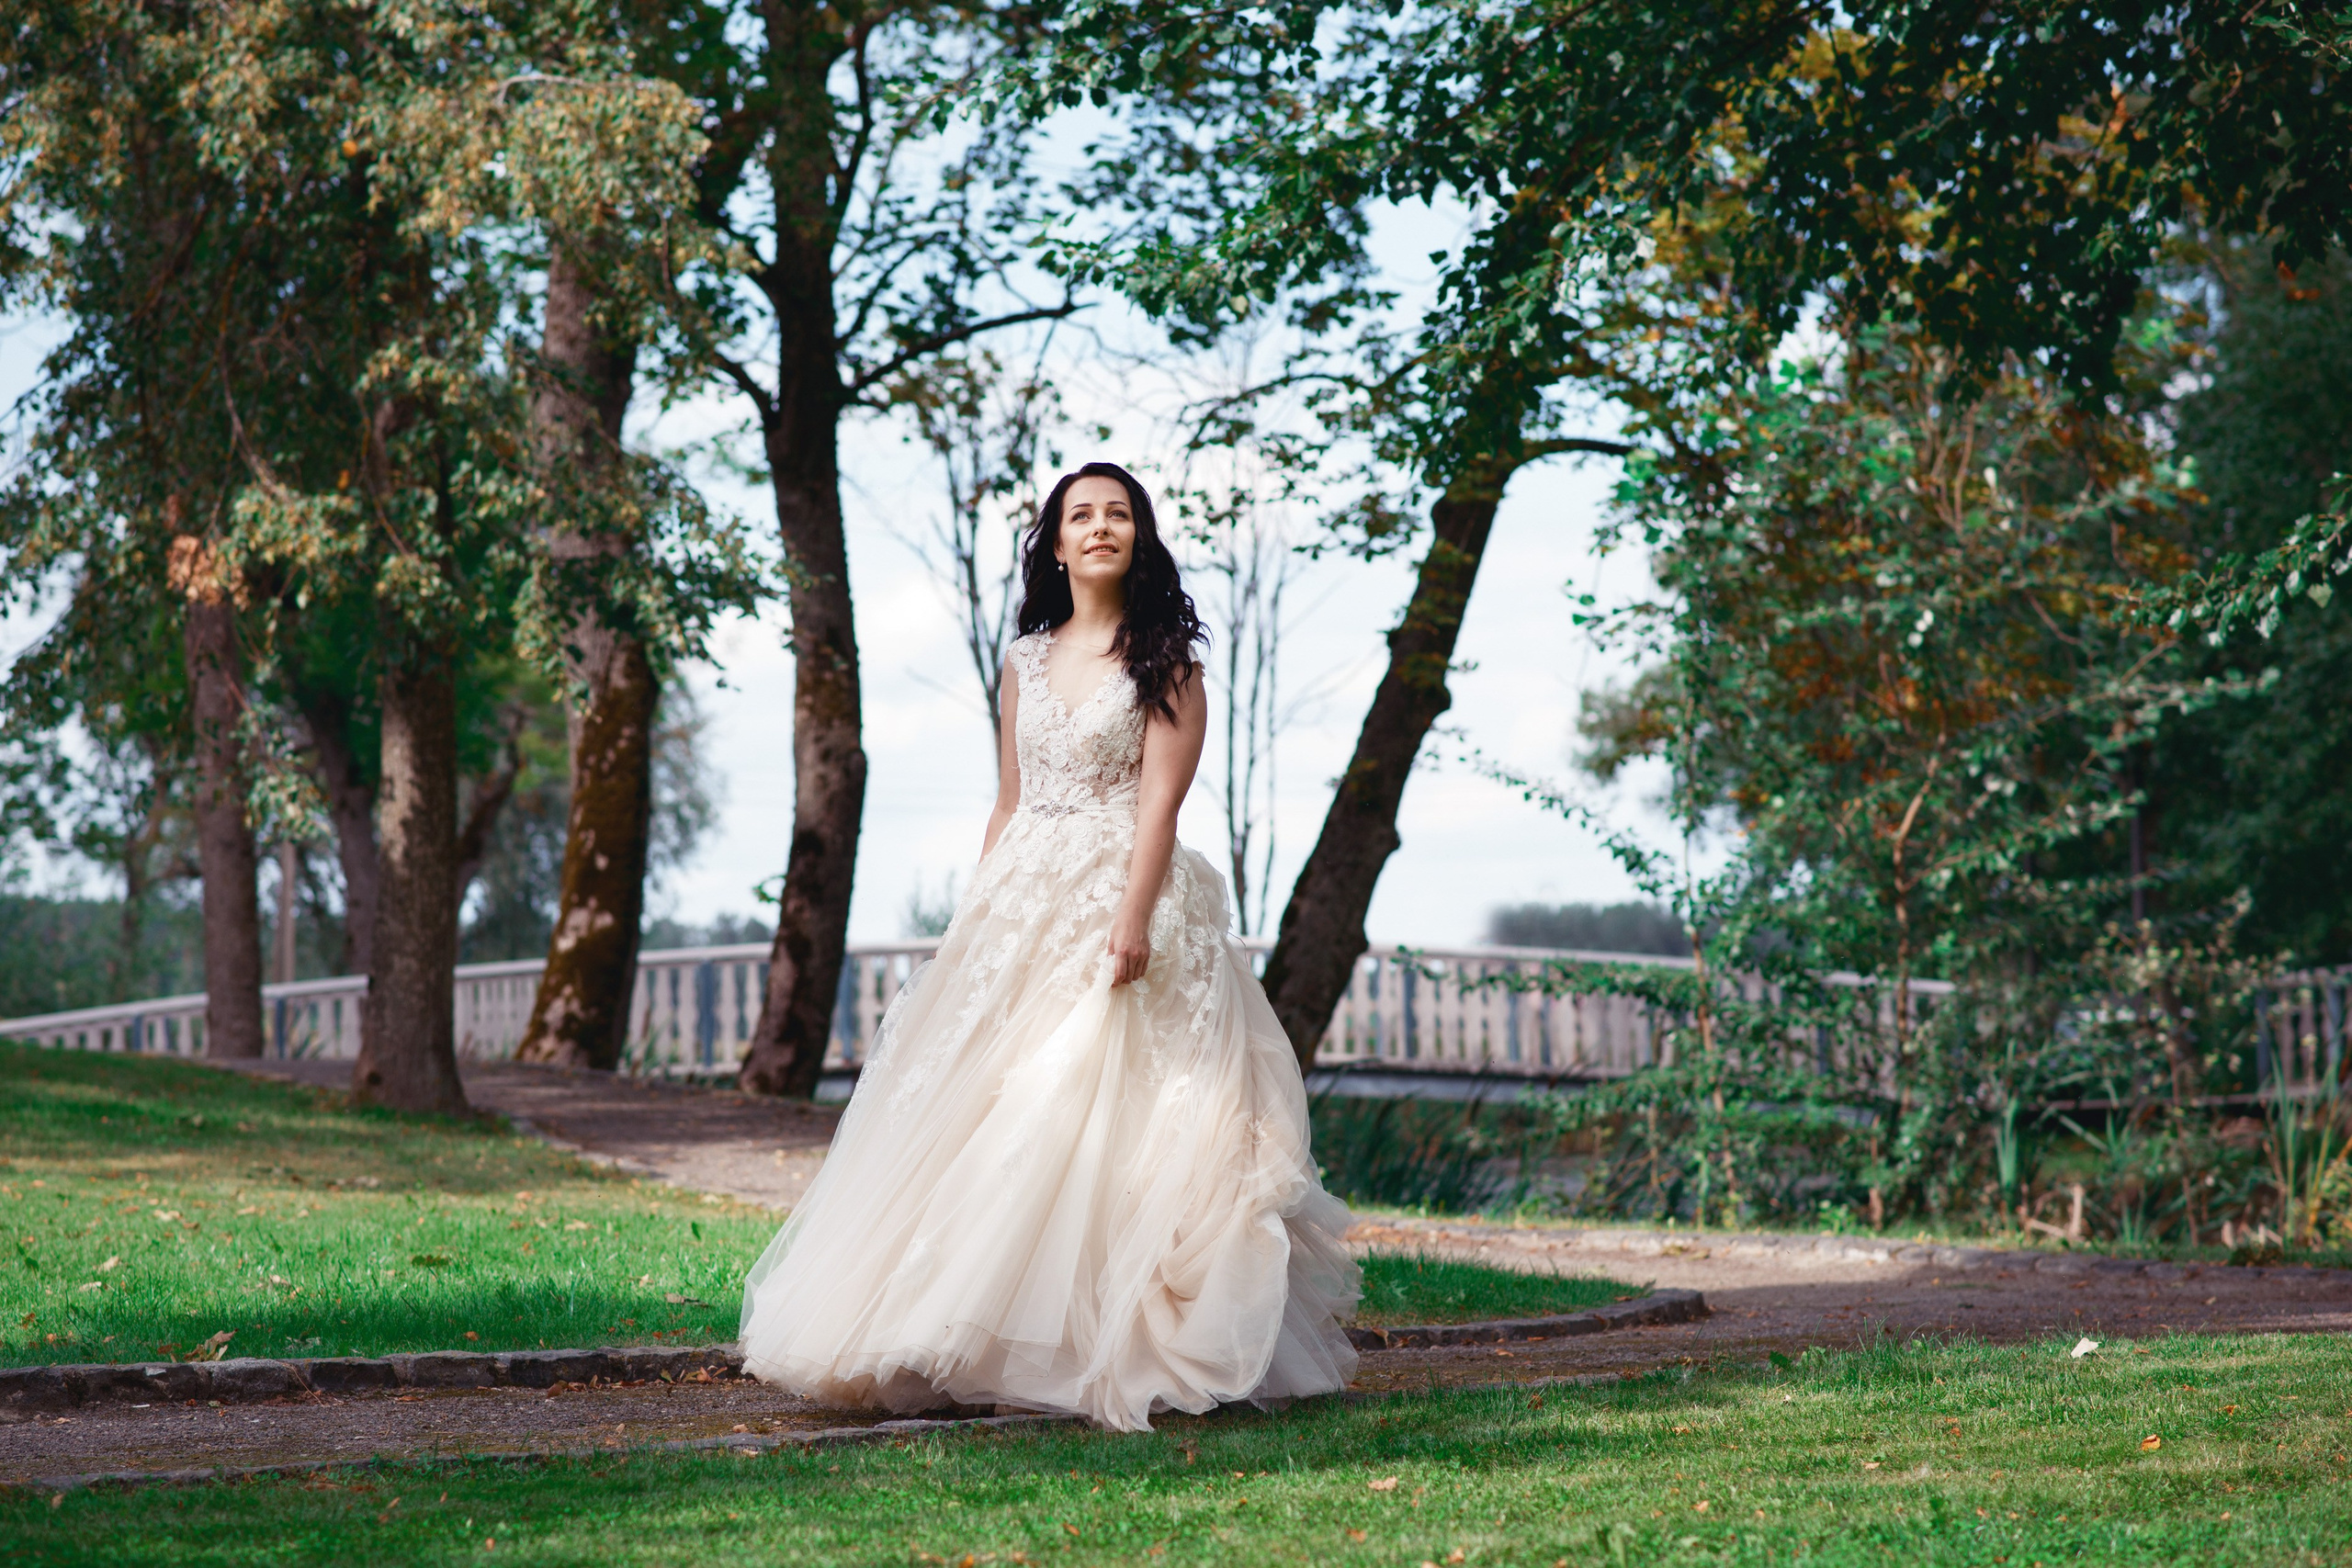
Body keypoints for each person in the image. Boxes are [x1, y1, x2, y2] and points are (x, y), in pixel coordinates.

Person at [738, 461, 1360, 1430]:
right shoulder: (1024, 660)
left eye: (1119, 514)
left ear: (1138, 540)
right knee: (994, 1107)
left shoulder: (1169, 665)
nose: (1101, 526)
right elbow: (1007, 799)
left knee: (1108, 1108)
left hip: (1122, 892)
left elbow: (1160, 805)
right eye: (1082, 515)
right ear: (1057, 542)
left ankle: (1101, 1340)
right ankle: (949, 1325)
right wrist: (978, 921)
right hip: (1025, 899)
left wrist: (1132, 919)